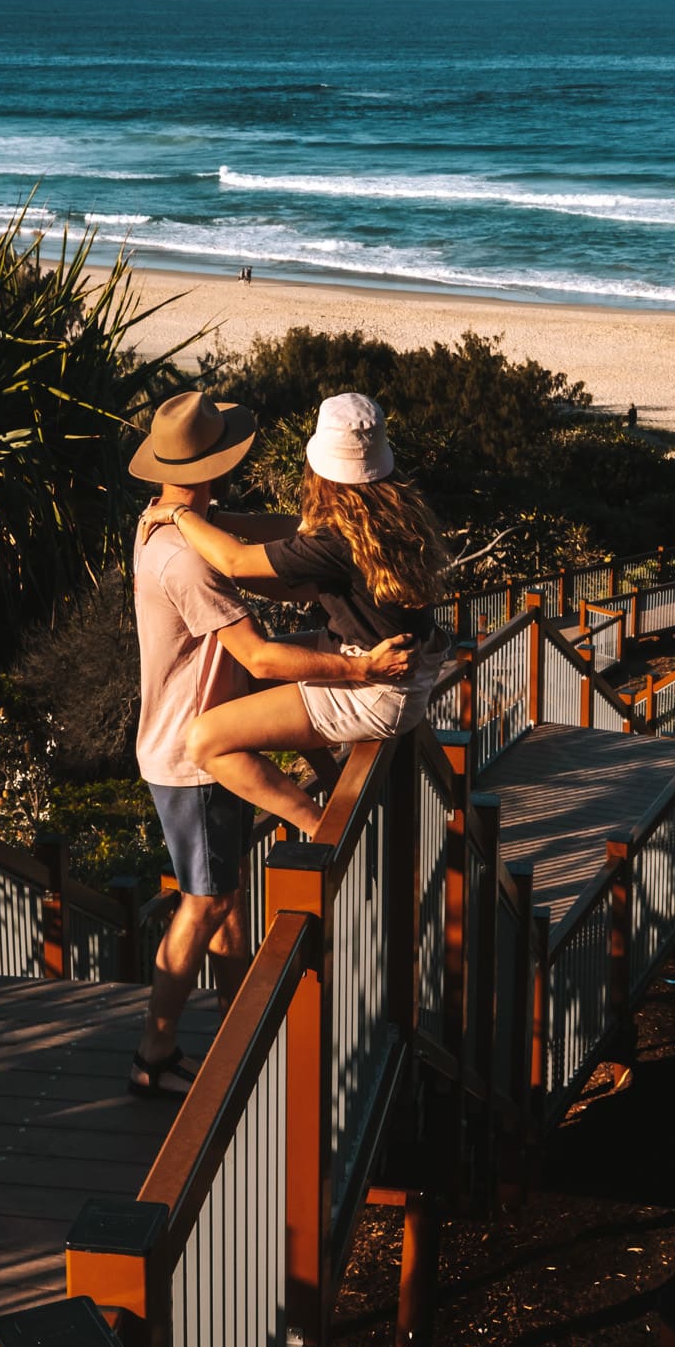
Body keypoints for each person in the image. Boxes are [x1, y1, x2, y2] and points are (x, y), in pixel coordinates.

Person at [127, 388, 417, 1101]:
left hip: (196, 734)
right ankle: (154, 1052)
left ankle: (236, 1032)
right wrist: (361, 670)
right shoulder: (188, 560)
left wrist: (200, 516)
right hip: (191, 752)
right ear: (216, 467)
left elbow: (274, 536)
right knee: (203, 904)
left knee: (222, 898)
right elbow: (257, 656)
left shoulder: (167, 524)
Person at [169, 393, 451, 821]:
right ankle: (335, 785)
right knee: (243, 677)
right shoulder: (382, 512)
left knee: (205, 741)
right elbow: (292, 531)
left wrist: (180, 515)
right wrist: (218, 518)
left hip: (378, 688)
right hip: (396, 675)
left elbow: (235, 562)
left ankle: (323, 829)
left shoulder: (338, 541)